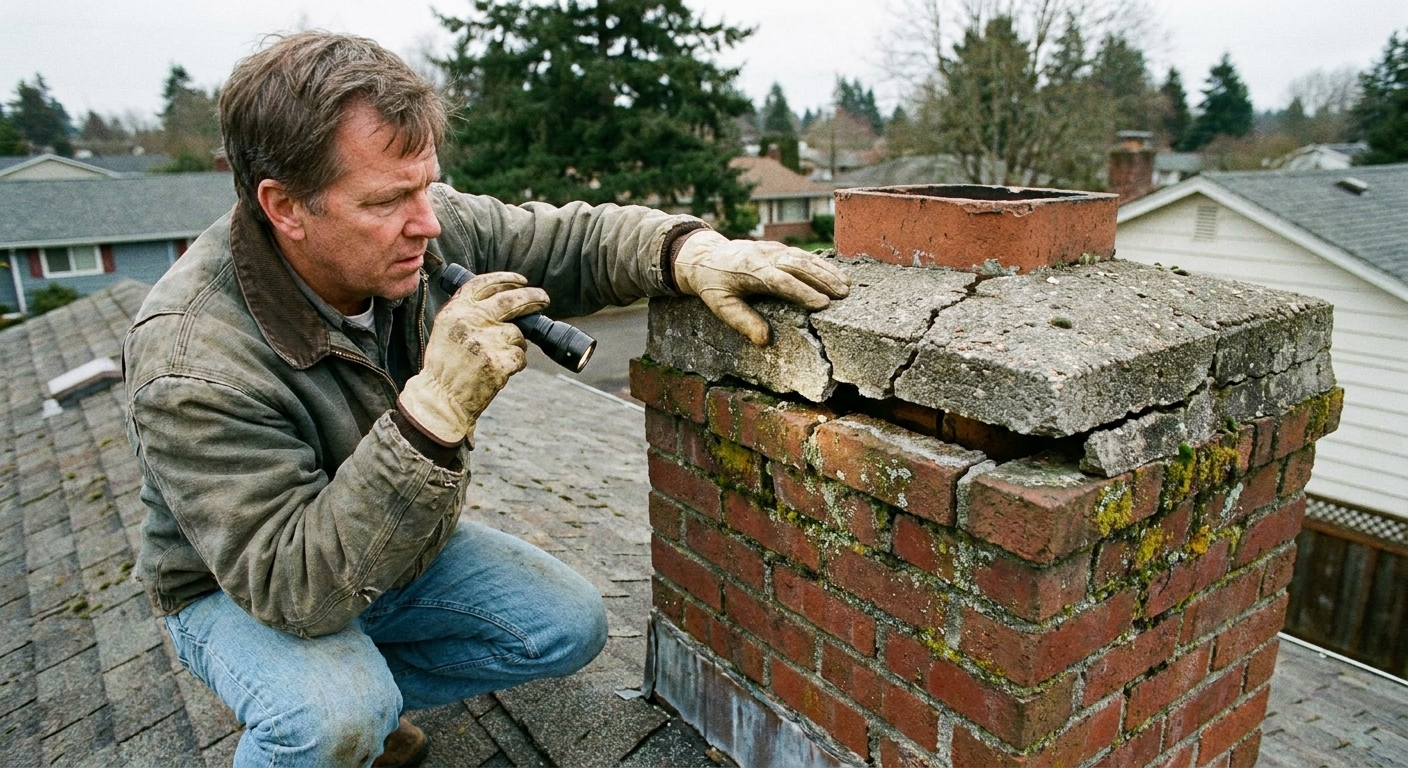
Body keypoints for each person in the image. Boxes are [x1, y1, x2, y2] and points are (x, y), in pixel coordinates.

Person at [122, 30, 848, 768]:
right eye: (387, 200)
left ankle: (368, 707)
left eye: (425, 186)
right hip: (240, 587)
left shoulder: (418, 230)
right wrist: (434, 409)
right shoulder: (190, 362)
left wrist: (692, 252)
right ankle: (328, 718)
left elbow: (574, 242)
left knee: (566, 627)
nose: (428, 223)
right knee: (331, 716)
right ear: (285, 206)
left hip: (385, 541)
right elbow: (292, 589)